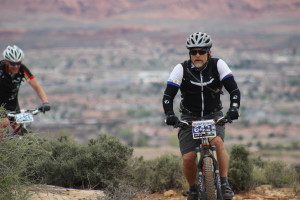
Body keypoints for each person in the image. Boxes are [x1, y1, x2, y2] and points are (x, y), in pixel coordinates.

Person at [162, 32, 240, 200]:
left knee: (218, 142)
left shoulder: (218, 65)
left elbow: (234, 90)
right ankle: (192, 189)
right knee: (188, 157)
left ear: (209, 52)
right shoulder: (180, 69)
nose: (197, 55)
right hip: (189, 118)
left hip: (213, 115)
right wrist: (170, 114)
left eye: (201, 51)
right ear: (189, 53)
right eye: (193, 52)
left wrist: (234, 109)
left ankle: (224, 183)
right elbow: (168, 96)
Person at [0, 45, 51, 137]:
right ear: (6, 62)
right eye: (13, 64)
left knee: (22, 132)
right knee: (4, 124)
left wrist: (45, 102)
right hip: (0, 106)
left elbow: (36, 86)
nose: (16, 66)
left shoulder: (22, 70)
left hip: (13, 106)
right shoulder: (0, 69)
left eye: (18, 63)